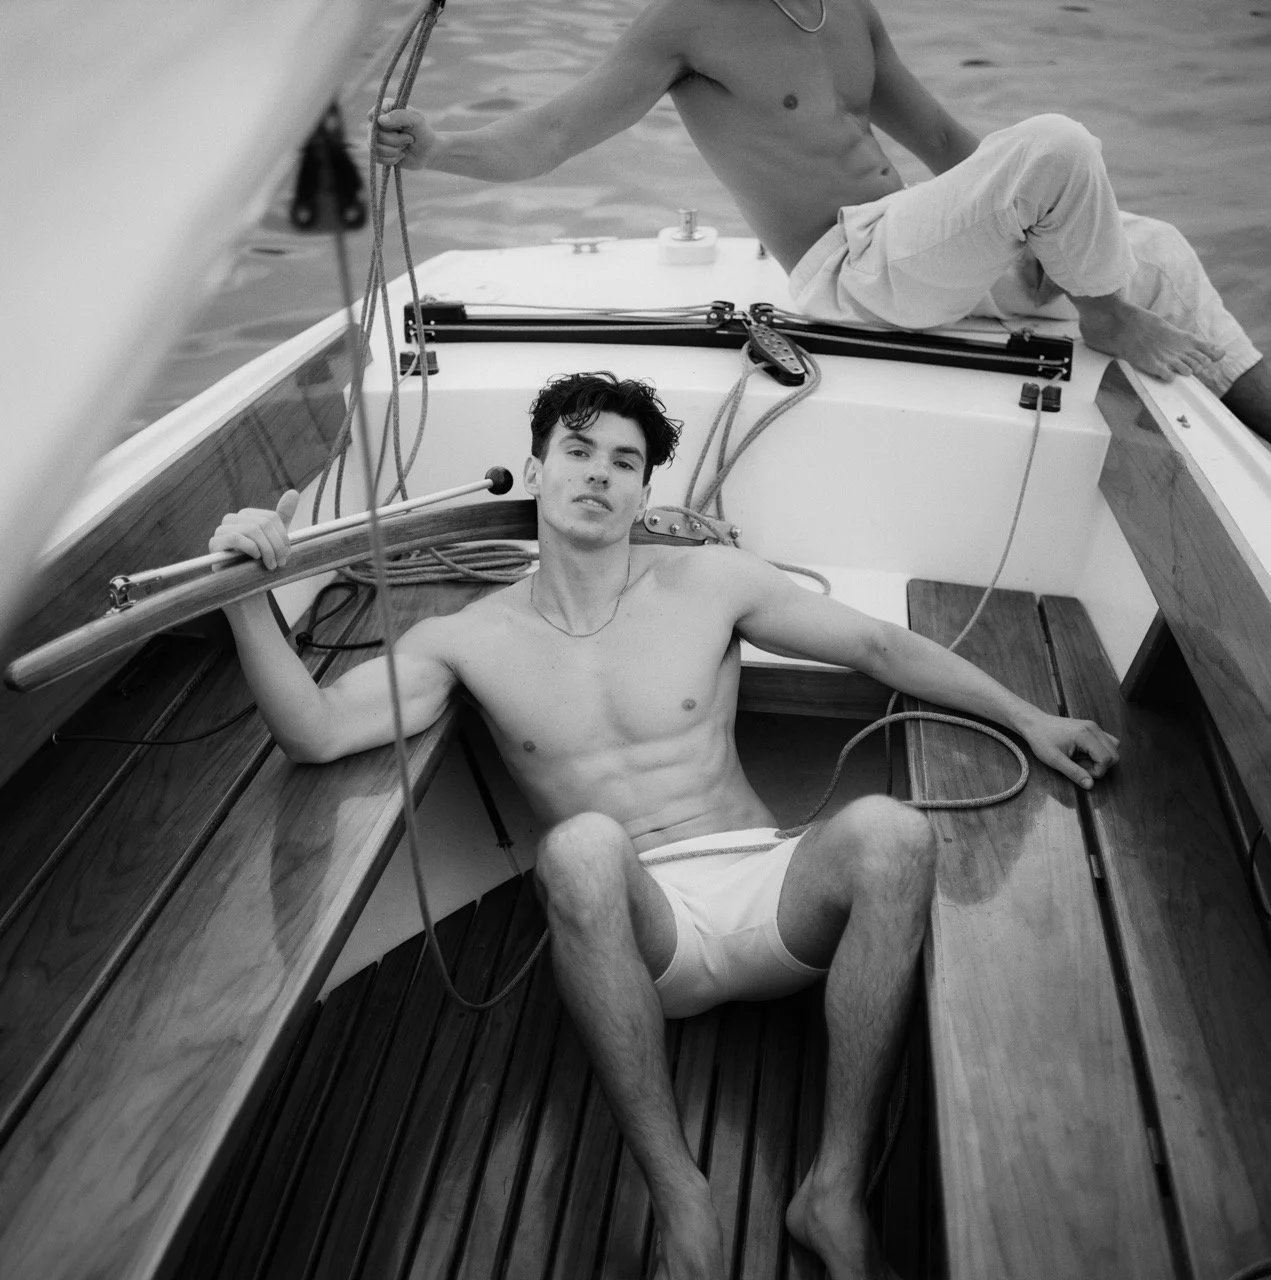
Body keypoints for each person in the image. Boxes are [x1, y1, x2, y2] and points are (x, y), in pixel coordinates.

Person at [210, 371, 1120, 1280]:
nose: (599, 474)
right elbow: (317, 732)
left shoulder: (706, 581)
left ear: (646, 491)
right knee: (579, 846)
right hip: (645, 940)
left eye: (624, 460)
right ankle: (681, 1195)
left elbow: (877, 647)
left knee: (894, 833)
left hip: (773, 901)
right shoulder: (466, 638)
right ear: (536, 470)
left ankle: (831, 1191)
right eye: (577, 451)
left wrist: (1031, 721)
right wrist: (248, 597)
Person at [370, 0, 1270, 442]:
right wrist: (439, 147)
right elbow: (554, 133)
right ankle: (1106, 312)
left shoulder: (845, 10)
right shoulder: (690, 20)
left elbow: (950, 143)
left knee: (1152, 246)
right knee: (1058, 143)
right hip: (848, 272)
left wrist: (1033, 237)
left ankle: (1255, 413)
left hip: (917, 252)